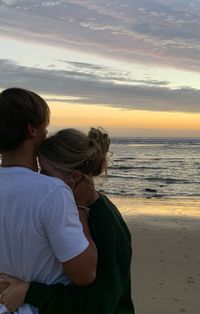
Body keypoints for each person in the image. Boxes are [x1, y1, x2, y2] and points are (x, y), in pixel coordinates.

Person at [0, 128, 135, 314]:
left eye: (45, 171)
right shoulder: (65, 213)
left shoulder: (107, 225)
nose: (40, 178)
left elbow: (98, 305)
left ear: (74, 178)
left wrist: (29, 292)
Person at [0, 88, 97, 314]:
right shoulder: (51, 192)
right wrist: (81, 207)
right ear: (31, 129)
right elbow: (85, 274)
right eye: (44, 126)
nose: (46, 133)